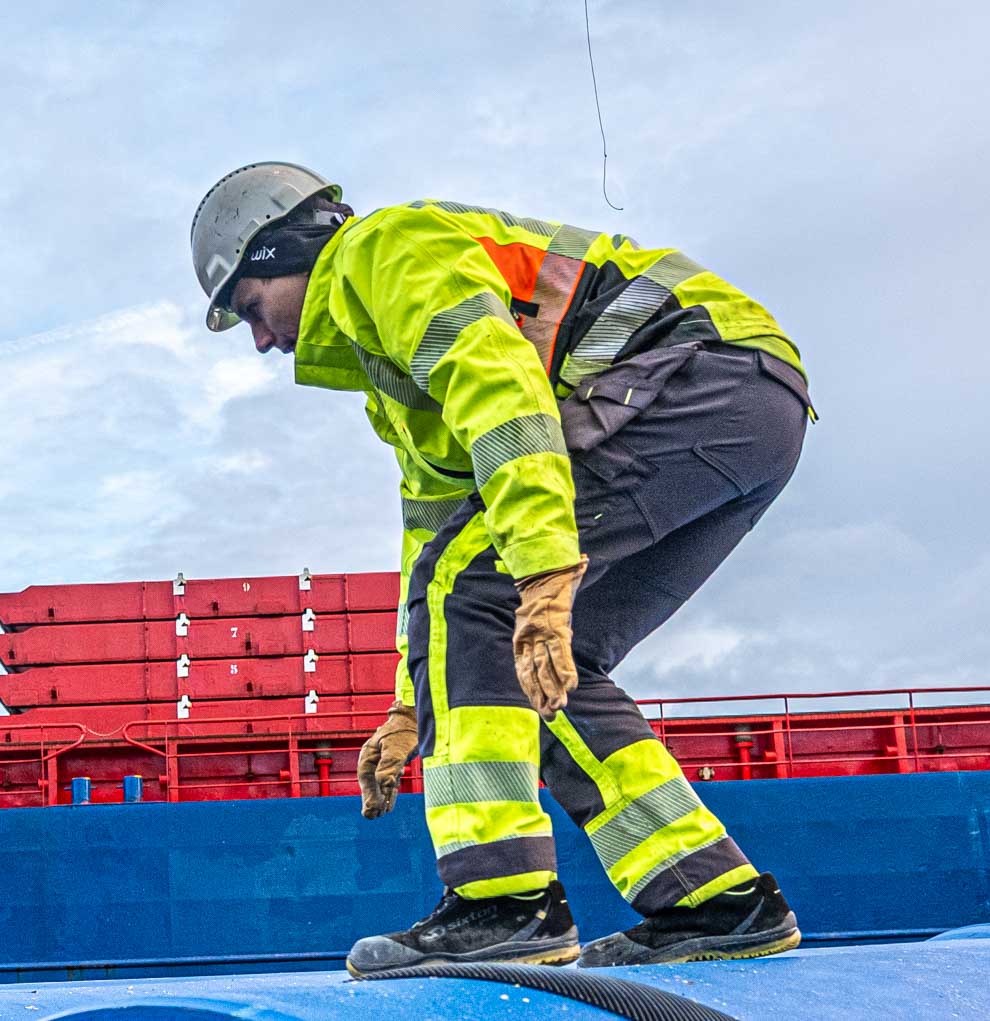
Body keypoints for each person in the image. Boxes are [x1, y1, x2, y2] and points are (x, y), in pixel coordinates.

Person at [188, 162, 812, 974]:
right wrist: (409, 701)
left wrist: (542, 572)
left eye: (250, 308)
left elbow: (504, 394)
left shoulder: (384, 250)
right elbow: (435, 536)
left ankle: (503, 903)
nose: (262, 341)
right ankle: (716, 902)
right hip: (742, 409)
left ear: (283, 251)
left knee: (485, 598)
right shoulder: (391, 373)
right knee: (541, 662)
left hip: (699, 375)